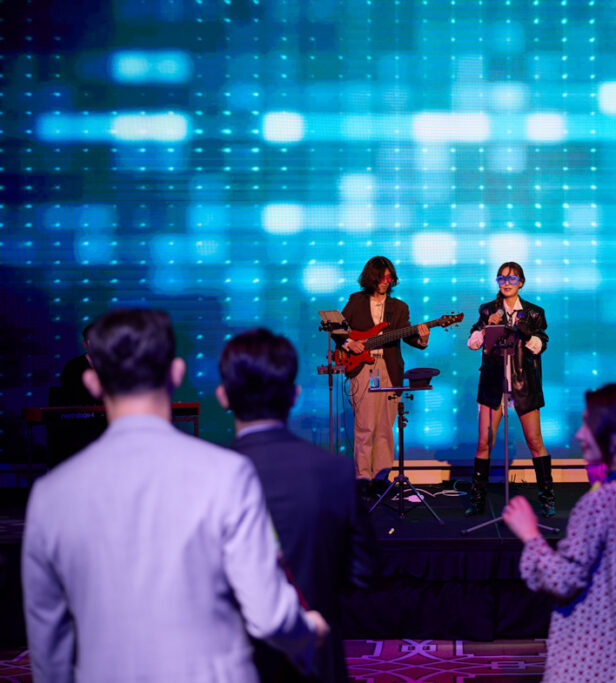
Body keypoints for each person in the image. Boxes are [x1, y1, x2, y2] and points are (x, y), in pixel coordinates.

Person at [21, 308, 328, 682]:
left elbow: (48, 647)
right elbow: (268, 615)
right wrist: (307, 632)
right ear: (176, 372)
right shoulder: (227, 473)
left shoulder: (50, 495)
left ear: (93, 382)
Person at [217, 328, 377, 682]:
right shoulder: (335, 470)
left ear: (223, 396)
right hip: (316, 660)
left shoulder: (206, 475)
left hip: (235, 665)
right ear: (294, 395)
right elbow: (363, 572)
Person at [503, 384, 616, 682]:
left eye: (588, 424)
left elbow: (563, 580)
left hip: (591, 662)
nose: (580, 435)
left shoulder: (599, 503)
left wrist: (530, 536)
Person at [465, 262, 554, 516]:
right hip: (493, 384)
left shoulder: (534, 313)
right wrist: (486, 327)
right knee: (484, 442)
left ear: (521, 283)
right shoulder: (488, 310)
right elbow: (472, 343)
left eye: (512, 279)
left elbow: (540, 346)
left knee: (535, 441)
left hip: (524, 385)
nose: (506, 283)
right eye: (501, 278)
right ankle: (477, 500)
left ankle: (547, 498)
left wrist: (527, 334)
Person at [335, 256, 429, 495]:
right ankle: (362, 478)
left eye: (390, 277)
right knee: (365, 426)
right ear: (372, 277)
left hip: (389, 369)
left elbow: (408, 336)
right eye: (383, 277)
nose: (387, 281)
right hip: (362, 368)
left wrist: (423, 338)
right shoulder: (356, 301)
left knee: (386, 427)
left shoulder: (399, 307)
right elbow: (337, 328)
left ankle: (380, 476)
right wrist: (349, 343)